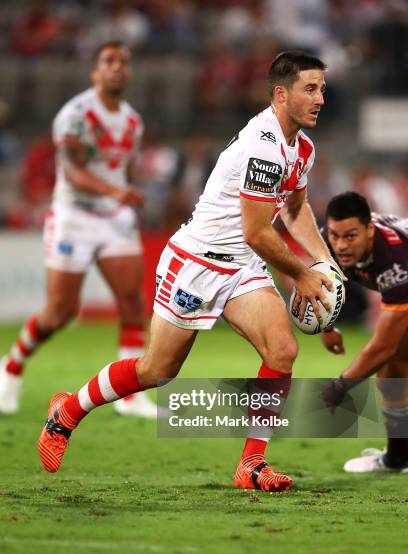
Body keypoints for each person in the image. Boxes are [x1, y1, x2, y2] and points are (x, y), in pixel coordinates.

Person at [38, 50, 339, 492]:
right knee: (156, 370)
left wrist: (323, 265)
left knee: (281, 351)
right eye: (309, 89)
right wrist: (302, 274)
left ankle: (251, 465)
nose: (319, 99)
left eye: (323, 90)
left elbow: (294, 211)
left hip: (242, 266)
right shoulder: (263, 146)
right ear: (281, 93)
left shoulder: (302, 148)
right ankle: (69, 410)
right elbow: (258, 232)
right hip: (197, 263)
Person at [0, 41, 157, 418]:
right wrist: (116, 190)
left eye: (124, 62)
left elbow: (124, 169)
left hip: (115, 218)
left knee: (133, 302)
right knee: (59, 313)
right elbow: (72, 171)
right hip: (74, 216)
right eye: (109, 61)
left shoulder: (133, 121)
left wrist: (124, 193)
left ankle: (131, 396)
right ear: (95, 71)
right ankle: (11, 368)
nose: (118, 67)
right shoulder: (75, 115)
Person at [322, 191, 408, 472]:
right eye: (335, 235)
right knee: (393, 373)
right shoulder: (328, 239)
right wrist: (328, 325)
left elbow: (383, 345)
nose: (341, 245)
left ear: (370, 230)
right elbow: (322, 277)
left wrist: (341, 385)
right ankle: (396, 459)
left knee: (390, 358)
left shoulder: (394, 260)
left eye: (350, 236)